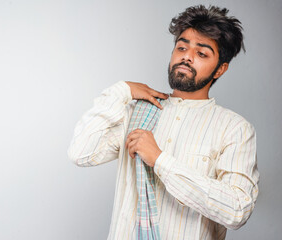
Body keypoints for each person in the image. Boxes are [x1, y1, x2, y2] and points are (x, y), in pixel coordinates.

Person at [68, 5, 259, 240]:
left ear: (220, 69)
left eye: (201, 53)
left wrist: (160, 160)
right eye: (181, 47)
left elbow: (237, 210)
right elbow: (81, 153)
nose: (187, 56)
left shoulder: (234, 129)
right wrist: (122, 90)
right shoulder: (139, 112)